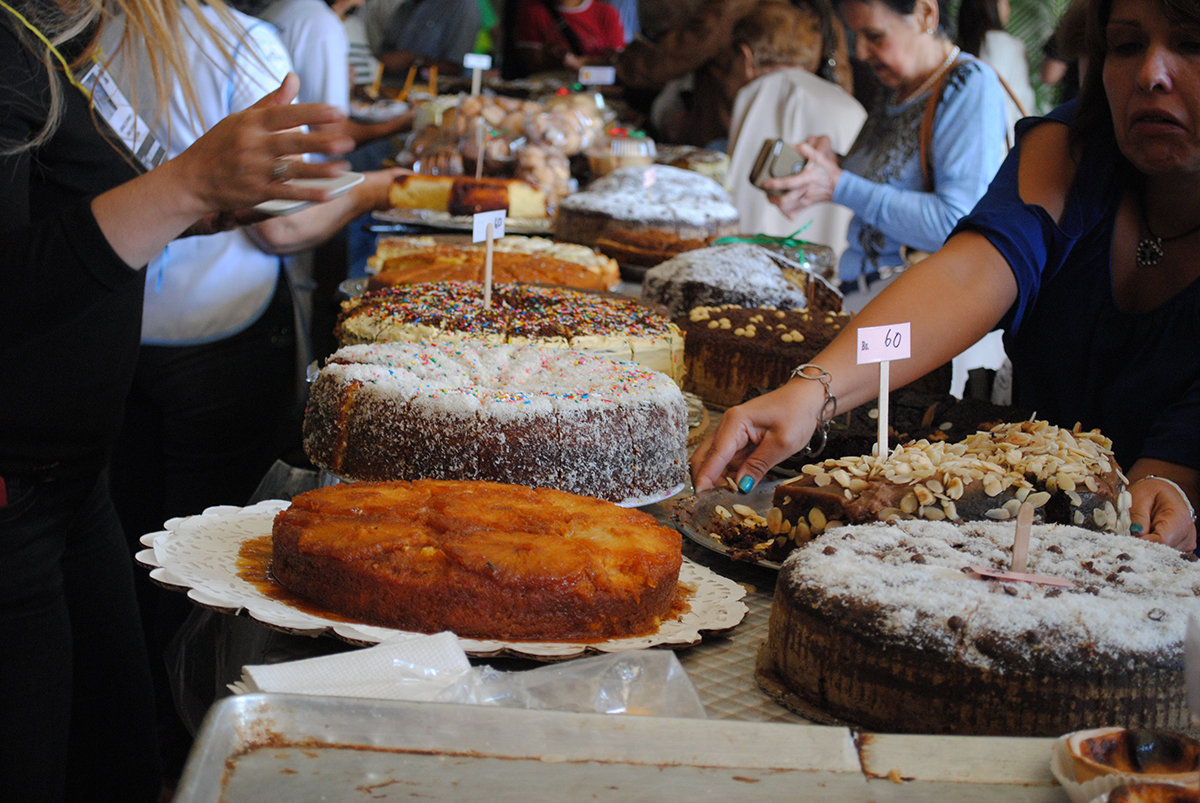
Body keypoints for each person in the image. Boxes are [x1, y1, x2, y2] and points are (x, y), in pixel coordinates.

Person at [0, 0, 354, 798]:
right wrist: (186, 185)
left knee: (125, 758)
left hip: (69, 479)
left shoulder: (48, 36)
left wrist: (200, 208)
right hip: (14, 494)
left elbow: (61, 220)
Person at [691, 0, 1200, 553]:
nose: (1151, 73)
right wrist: (814, 391)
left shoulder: (968, 88)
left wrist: (1174, 478)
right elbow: (966, 274)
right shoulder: (1070, 150)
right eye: (1127, 45)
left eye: (1192, 42)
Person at [761, 0, 1008, 300]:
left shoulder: (968, 84)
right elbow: (882, 180)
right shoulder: (896, 87)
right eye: (856, 36)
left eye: (875, 36)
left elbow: (954, 220)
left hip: (913, 302)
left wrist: (837, 184)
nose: (862, 52)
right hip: (864, 291)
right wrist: (825, 167)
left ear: (925, 14)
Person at [726, 1, 867, 251]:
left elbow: (738, 197)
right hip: (833, 264)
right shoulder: (852, 108)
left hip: (756, 260)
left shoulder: (753, 94)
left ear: (747, 57)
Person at [616, 0, 853, 149]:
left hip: (731, 133)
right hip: (809, 142)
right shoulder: (824, 13)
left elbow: (672, 57)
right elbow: (841, 82)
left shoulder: (731, 6)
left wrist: (620, 63)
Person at [956, 0, 1035, 137]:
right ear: (991, 6)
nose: (1008, 8)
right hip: (1005, 144)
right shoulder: (1011, 46)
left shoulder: (955, 49)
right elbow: (1022, 102)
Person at [513, 0, 626, 76]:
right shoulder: (532, 8)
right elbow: (532, 65)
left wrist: (578, 64)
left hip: (598, 94)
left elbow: (618, 67)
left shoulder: (606, 13)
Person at [370, 0, 481, 76]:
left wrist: (413, 60)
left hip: (436, 97)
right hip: (392, 94)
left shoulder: (461, 4)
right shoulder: (405, 7)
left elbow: (457, 67)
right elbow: (385, 53)